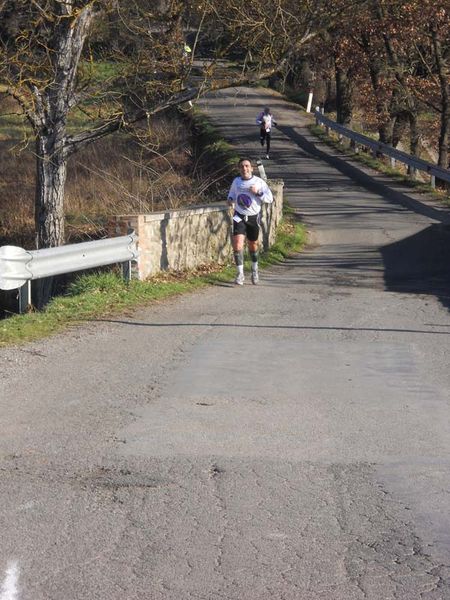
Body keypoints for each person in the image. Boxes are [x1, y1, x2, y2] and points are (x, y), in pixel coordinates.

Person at [227, 157, 273, 285]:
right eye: (241, 166)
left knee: (253, 245)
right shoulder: (236, 182)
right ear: (239, 169)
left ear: (251, 168)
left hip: (253, 217)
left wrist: (257, 192)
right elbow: (231, 194)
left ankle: (254, 270)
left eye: (247, 166)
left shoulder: (259, 182)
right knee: (237, 244)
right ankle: (240, 274)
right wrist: (230, 200)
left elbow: (269, 199)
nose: (244, 168)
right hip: (239, 216)